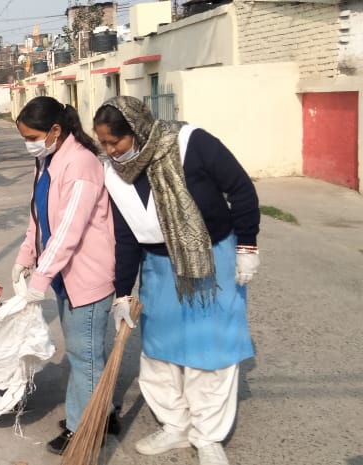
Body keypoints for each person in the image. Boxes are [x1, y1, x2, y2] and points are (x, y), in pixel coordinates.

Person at [93, 96, 259, 465]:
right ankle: (175, 425)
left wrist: (247, 245)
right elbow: (126, 236)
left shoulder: (189, 143)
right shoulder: (114, 174)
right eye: (103, 143)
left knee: (209, 351)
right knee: (159, 350)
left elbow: (241, 189)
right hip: (158, 265)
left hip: (210, 259)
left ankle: (208, 436)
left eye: (114, 142)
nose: (109, 151)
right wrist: (123, 293)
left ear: (137, 130)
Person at [11, 96, 119, 455]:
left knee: (84, 355)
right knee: (85, 353)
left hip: (86, 275)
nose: (29, 145)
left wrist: (39, 279)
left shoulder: (81, 164)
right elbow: (39, 216)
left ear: (55, 130)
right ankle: (103, 412)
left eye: (32, 137)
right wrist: (25, 256)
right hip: (64, 275)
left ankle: (84, 430)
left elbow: (68, 230)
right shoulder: (48, 159)